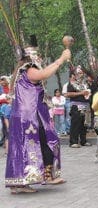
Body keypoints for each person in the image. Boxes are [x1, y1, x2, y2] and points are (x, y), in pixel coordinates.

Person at [5, 41, 69, 194]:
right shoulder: (28, 70)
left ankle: (25, 181)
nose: (40, 57)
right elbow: (43, 74)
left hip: (28, 115)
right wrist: (61, 59)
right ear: (31, 58)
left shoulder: (22, 71)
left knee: (30, 145)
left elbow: (43, 75)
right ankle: (42, 177)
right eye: (37, 55)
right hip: (29, 117)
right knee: (45, 141)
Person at [65, 66, 92, 148]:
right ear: (75, 74)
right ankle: (73, 141)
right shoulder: (71, 84)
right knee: (75, 124)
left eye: (82, 73)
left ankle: (83, 140)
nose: (81, 75)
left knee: (84, 124)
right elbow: (68, 94)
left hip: (85, 106)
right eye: (79, 73)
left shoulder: (85, 84)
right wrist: (81, 93)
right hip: (76, 106)